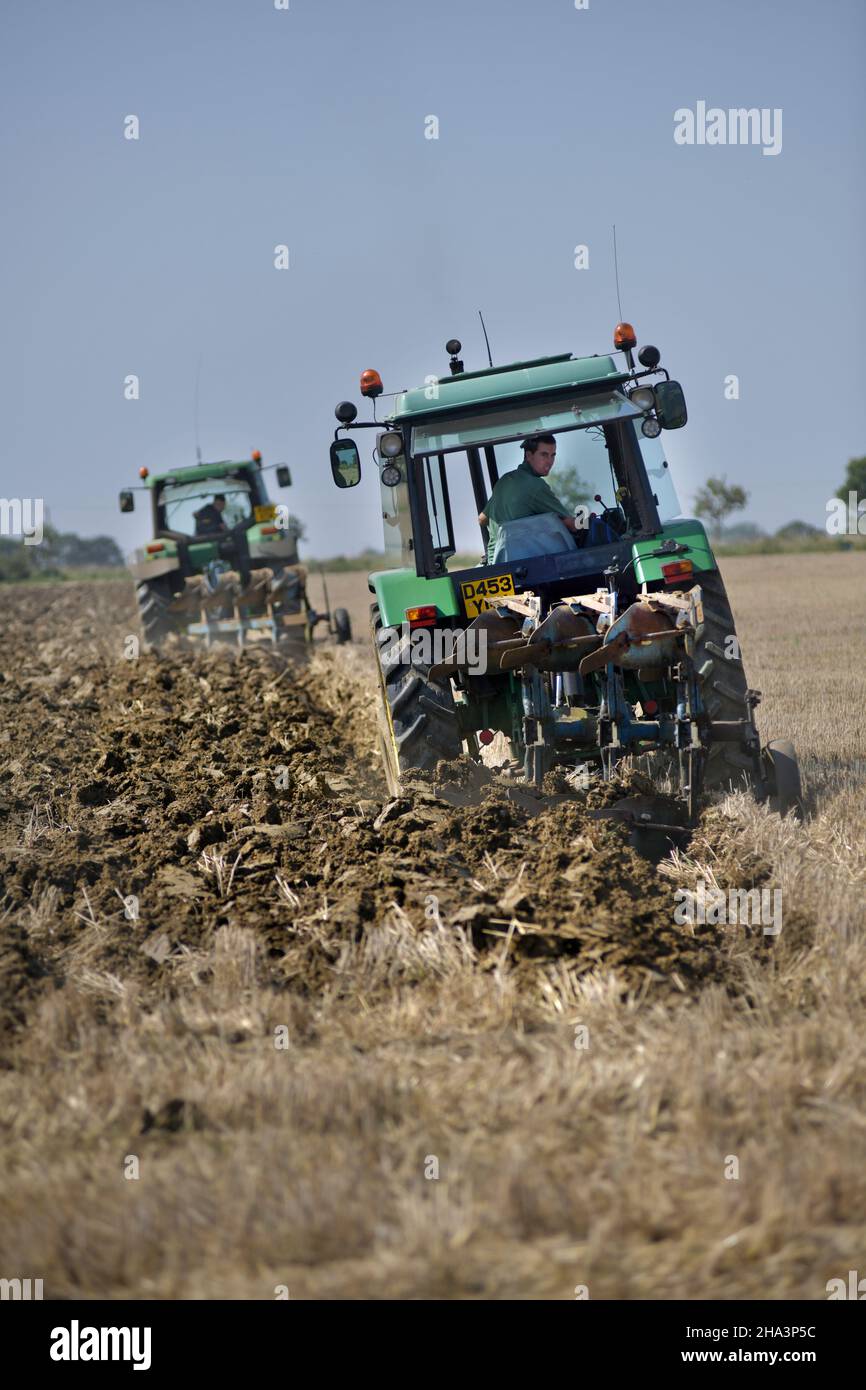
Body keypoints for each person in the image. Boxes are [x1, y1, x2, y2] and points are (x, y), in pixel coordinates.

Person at [478, 435, 581, 561]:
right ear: (528, 456)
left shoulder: (504, 481)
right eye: (544, 455)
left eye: (553, 455)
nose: (550, 461)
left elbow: (482, 519)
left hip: (497, 563)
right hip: (530, 564)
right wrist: (586, 520)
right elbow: (572, 525)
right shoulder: (536, 486)